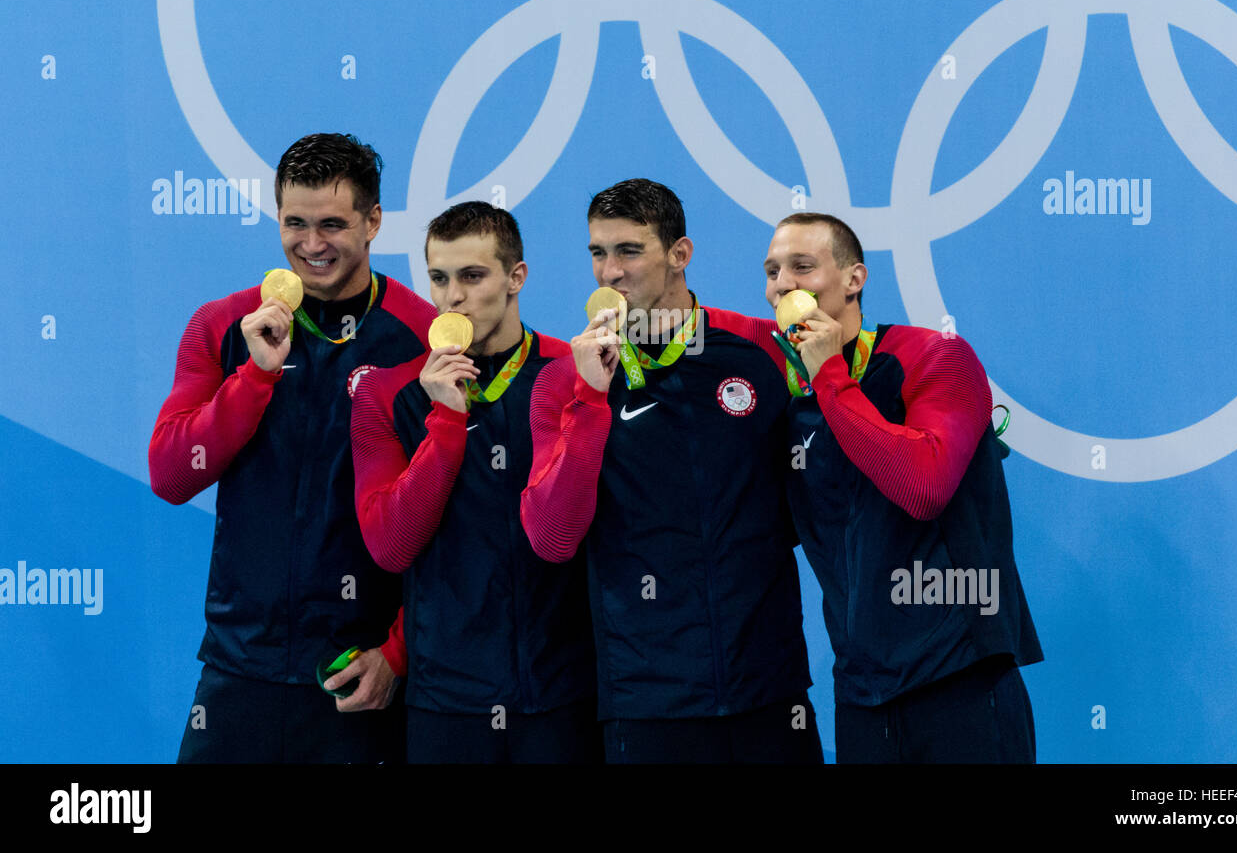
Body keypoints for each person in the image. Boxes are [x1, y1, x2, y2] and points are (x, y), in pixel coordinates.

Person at [148, 133, 434, 763]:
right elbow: (171, 475)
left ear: (374, 222)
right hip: (239, 664)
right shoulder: (223, 325)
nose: (312, 245)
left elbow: (457, 524)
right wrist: (256, 376)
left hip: (355, 674)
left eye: (332, 224)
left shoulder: (421, 340)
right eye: (295, 223)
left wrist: (397, 653)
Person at [521, 178, 821, 764]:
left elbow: (816, 493)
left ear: (679, 254)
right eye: (597, 253)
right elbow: (551, 537)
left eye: (629, 251)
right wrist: (589, 396)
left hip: (769, 687)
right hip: (645, 699)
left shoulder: (762, 351)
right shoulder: (564, 380)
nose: (608, 273)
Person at [763, 211, 1043, 763]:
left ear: (854, 279)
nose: (783, 285)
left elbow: (923, 488)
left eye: (802, 266)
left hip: (959, 678)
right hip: (863, 695)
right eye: (772, 271)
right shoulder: (794, 402)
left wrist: (830, 379)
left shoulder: (935, 357)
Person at [350, 201, 599, 763]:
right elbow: (391, 547)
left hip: (561, 696)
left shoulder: (574, 374)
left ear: (517, 278)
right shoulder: (389, 392)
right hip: (446, 700)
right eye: (439, 278)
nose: (452, 297)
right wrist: (444, 422)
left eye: (472, 276)